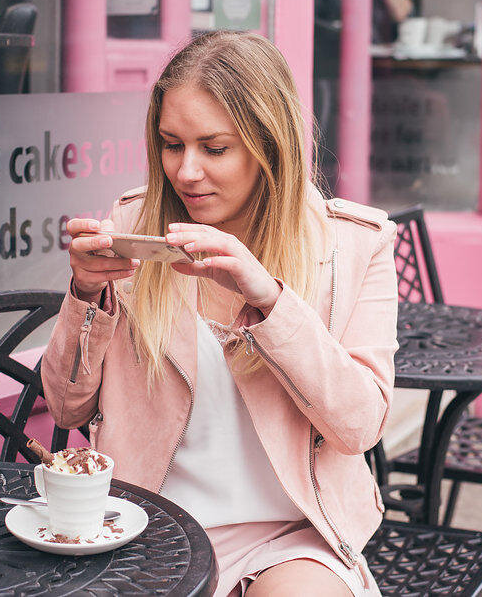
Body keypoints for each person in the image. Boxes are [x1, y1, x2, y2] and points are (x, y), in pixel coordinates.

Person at [42, 30, 398, 596]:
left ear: (268, 146)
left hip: (290, 535)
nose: (185, 172)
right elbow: (66, 407)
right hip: (150, 528)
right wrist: (86, 296)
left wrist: (270, 299)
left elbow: (358, 426)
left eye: (214, 148)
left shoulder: (354, 245)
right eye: (170, 144)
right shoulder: (138, 228)